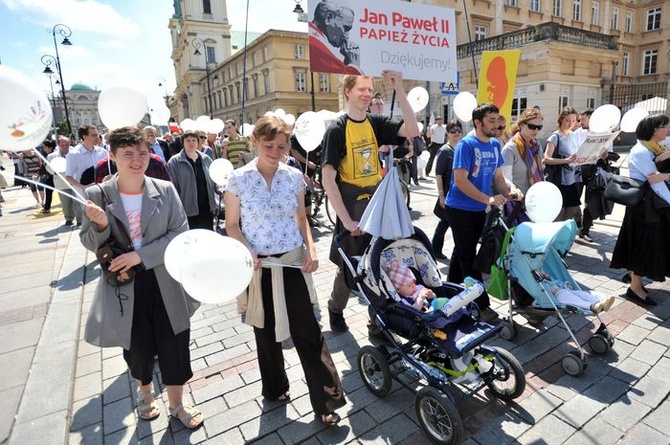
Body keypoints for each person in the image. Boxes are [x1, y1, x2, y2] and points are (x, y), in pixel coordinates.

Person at [80, 126, 203, 429]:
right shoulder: (98, 194)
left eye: (142, 153)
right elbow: (88, 242)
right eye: (128, 154)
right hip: (125, 285)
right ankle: (145, 393)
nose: (137, 160)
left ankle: (177, 404)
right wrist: (97, 226)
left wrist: (141, 256)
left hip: (165, 280)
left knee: (175, 343)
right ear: (112, 156)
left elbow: (180, 233)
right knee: (137, 347)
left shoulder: (164, 189)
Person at [225, 116, 345, 426]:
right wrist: (248, 252)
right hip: (259, 265)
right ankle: (275, 387)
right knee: (264, 331)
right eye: (269, 146)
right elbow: (232, 226)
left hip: (292, 261)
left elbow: (302, 219)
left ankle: (326, 400)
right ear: (254, 142)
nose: (276, 152)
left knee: (307, 330)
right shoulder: (237, 179)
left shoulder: (293, 177)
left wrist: (312, 249)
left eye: (281, 146)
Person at [321, 71, 419, 333]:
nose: (366, 94)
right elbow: (328, 177)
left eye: (370, 89)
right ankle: (335, 307)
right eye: (361, 89)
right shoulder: (337, 129)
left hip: (377, 201)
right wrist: (346, 219)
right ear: (348, 92)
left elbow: (413, 130)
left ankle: (378, 321)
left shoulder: (375, 122)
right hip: (351, 204)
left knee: (381, 260)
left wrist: (399, 86)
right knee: (349, 265)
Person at [445, 103, 523, 323]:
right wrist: (487, 198)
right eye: (491, 120)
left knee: (462, 250)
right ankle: (482, 306)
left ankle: (450, 288)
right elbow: (460, 181)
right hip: (459, 208)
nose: (496, 123)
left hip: (479, 209)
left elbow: (497, 178)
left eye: (497, 119)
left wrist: (510, 192)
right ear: (478, 122)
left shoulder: (495, 145)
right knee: (470, 258)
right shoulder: (466, 145)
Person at [610, 114, 670, 306]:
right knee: (641, 247)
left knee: (644, 245)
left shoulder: (657, 147)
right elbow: (655, 182)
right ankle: (635, 288)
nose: (668, 130)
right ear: (654, 130)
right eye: (665, 127)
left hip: (651, 205)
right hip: (644, 207)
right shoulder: (641, 151)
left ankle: (635, 281)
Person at [167, 130, 219, 230]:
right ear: (183, 143)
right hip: (187, 210)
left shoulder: (206, 159)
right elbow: (172, 188)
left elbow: (214, 179)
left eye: (194, 140)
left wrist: (220, 188)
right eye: (188, 140)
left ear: (198, 142)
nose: (191, 143)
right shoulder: (174, 162)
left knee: (207, 237)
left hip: (207, 208)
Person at [543, 107, 581, 223]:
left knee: (573, 207)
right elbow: (546, 159)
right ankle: (555, 228)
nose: (570, 123)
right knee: (559, 207)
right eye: (567, 120)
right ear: (561, 120)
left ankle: (559, 226)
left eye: (574, 121)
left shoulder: (573, 135)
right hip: (559, 178)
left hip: (572, 177)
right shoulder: (555, 137)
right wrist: (566, 160)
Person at [432, 120, 462, 260]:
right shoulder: (445, 151)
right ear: (447, 132)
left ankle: (435, 249)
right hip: (447, 192)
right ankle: (435, 249)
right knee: (445, 222)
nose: (456, 133)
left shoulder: (461, 148)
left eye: (458, 130)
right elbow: (438, 175)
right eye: (453, 131)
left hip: (458, 194)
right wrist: (441, 196)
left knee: (446, 222)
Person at [65, 125, 107, 225]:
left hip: (103, 191)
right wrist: (83, 187)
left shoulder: (103, 152)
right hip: (85, 194)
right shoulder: (74, 154)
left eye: (97, 134)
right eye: (93, 135)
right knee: (91, 221)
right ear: (84, 136)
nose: (97, 137)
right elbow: (68, 176)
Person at [308, 0, 361, 75]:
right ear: (329, 18)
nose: (347, 36)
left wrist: (346, 64)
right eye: (345, 28)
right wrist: (354, 65)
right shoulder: (318, 48)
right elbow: (346, 84)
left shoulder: (312, 39)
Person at [501, 107, 545, 195]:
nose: (536, 130)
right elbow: (505, 177)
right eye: (532, 126)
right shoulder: (510, 148)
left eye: (539, 127)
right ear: (521, 125)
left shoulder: (536, 145)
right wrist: (513, 191)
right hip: (518, 200)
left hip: (537, 197)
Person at [49, 136, 77, 225]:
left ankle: (80, 219)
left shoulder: (75, 153)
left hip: (75, 181)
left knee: (77, 202)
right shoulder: (52, 156)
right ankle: (69, 218)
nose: (65, 147)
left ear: (70, 144)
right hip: (61, 182)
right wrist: (55, 171)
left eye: (66, 145)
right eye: (62, 145)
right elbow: (48, 167)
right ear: (58, 145)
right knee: (65, 203)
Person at [39, 140, 56, 214]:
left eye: (44, 147)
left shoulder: (52, 155)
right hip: (50, 176)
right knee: (48, 192)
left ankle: (47, 208)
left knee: (49, 191)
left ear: (50, 147)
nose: (43, 148)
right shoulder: (47, 155)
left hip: (53, 176)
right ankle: (47, 207)